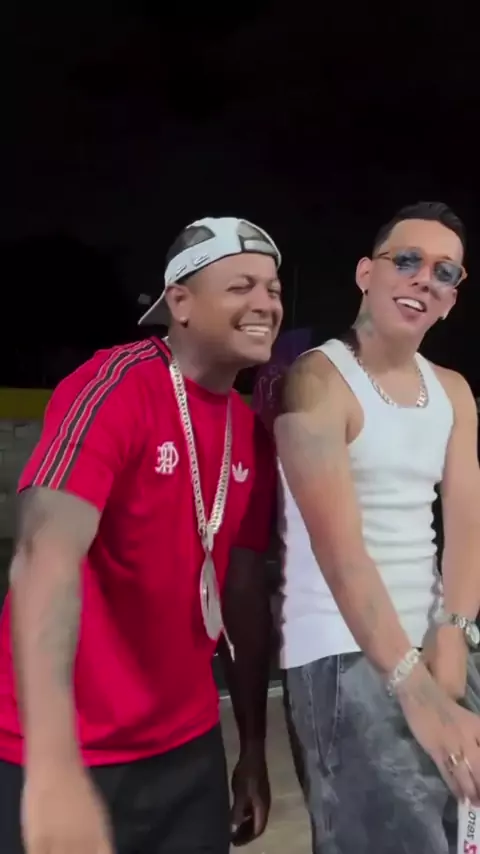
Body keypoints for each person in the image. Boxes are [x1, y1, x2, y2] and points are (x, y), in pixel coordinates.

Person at [0, 216, 283, 854]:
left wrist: (252, 749)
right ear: (180, 302)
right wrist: (52, 765)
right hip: (69, 747)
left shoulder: (248, 430)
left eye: (272, 288)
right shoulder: (115, 386)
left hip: (186, 749)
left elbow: (240, 593)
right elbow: (44, 554)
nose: (265, 303)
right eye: (240, 286)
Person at [275, 201, 480, 853]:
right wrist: (415, 689)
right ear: (367, 273)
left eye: (444, 272)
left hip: (435, 639)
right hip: (346, 655)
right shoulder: (317, 380)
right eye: (408, 260)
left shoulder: (452, 391)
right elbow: (341, 555)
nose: (424, 279)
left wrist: (454, 635)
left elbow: (466, 526)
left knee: (463, 830)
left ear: (452, 299)